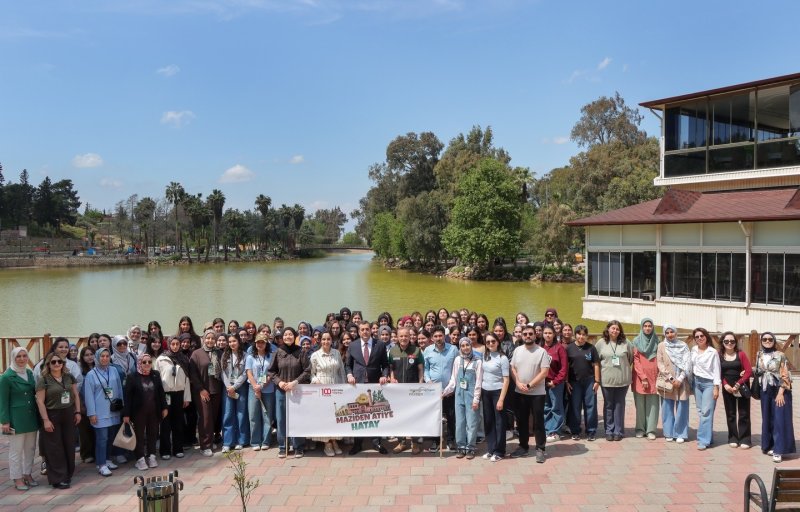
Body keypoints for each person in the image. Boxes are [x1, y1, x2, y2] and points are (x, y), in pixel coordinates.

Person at [35, 352, 81, 489]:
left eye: (59, 362)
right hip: (52, 414)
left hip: (68, 413)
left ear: (63, 363)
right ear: (48, 364)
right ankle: (58, 478)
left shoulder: (69, 377)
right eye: (53, 362)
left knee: (68, 444)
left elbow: (76, 395)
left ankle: (67, 474)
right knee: (54, 447)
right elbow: (40, 402)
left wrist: (78, 411)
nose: (56, 364)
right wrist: (45, 420)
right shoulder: (44, 380)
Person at [346, 321, 390, 455]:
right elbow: (348, 365)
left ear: (371, 330)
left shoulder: (380, 345)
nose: (365, 332)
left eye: (367, 329)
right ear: (359, 332)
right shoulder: (352, 346)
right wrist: (349, 375)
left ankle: (376, 442)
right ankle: (357, 443)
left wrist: (384, 375)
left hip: (374, 384)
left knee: (375, 413)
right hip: (357, 385)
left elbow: (385, 365)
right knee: (358, 415)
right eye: (362, 330)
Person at [510, 324, 550, 463]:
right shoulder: (517, 350)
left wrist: (529, 385)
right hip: (520, 391)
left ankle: (540, 448)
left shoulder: (541, 352)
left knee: (538, 421)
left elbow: (544, 372)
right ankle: (523, 446)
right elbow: (513, 368)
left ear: (535, 335)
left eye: (530, 334)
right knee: (522, 421)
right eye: (525, 334)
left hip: (537, 393)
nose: (528, 336)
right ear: (521, 336)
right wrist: (518, 383)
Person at [268, 327, 311, 458]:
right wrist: (279, 382)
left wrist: (295, 382)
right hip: (281, 391)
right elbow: (271, 371)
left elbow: (307, 371)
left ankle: (298, 446)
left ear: (295, 336)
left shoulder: (301, 352)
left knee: (297, 418)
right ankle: (283, 446)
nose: (287, 337)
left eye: (290, 335)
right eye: (285, 335)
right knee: (281, 419)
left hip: (296, 390)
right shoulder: (278, 352)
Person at [1, 347, 40, 491]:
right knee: (16, 450)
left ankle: (27, 474)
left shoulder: (29, 373)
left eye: (24, 356)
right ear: (13, 358)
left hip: (30, 417)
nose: (22, 359)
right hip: (15, 419)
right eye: (19, 356)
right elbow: (3, 401)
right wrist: (4, 421)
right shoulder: (6, 377)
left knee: (30, 448)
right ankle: (17, 478)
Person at [123, 354, 168, 470]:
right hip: (138, 413)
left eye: (149, 362)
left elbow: (161, 392)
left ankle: (152, 456)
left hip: (154, 411)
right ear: (139, 363)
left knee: (153, 433)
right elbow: (127, 397)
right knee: (139, 436)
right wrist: (126, 414)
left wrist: (164, 407)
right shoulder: (132, 377)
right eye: (144, 362)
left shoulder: (155, 374)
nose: (147, 364)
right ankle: (140, 459)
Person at [84, 347, 124, 476]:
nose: (105, 358)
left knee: (111, 437)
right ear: (97, 357)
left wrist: (121, 405)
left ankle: (107, 459)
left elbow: (119, 388)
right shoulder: (91, 374)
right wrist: (91, 413)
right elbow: (88, 395)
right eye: (102, 356)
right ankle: (101, 464)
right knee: (102, 438)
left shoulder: (113, 370)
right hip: (99, 412)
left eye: (107, 356)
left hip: (113, 410)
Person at [756, 332, 795, 463]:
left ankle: (779, 450)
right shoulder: (759, 354)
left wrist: (780, 393)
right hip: (766, 390)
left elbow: (786, 375)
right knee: (767, 418)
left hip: (780, 390)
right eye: (764, 339)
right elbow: (759, 371)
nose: (767, 341)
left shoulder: (780, 355)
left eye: (770, 339)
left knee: (780, 419)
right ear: (761, 341)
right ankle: (770, 445)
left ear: (774, 341)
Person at [443, 337, 483, 459]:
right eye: (462, 346)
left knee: (471, 423)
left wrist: (476, 399)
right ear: (460, 347)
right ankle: (461, 446)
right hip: (459, 396)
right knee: (459, 422)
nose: (465, 348)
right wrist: (444, 392)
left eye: (467, 345)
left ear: (471, 346)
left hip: (471, 396)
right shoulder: (457, 360)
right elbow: (453, 380)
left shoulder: (478, 361)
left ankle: (470, 447)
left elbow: (479, 383)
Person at [310, 331, 347, 456]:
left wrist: (343, 388)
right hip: (322, 389)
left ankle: (335, 440)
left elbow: (341, 371)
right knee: (324, 416)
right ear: (320, 340)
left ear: (332, 340)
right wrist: (316, 381)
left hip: (336, 387)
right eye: (324, 339)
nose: (326, 341)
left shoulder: (336, 353)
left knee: (335, 415)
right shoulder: (315, 355)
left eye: (328, 339)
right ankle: (327, 443)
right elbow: (311, 374)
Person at [595, 320, 633, 441]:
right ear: (608, 329)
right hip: (606, 380)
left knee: (619, 405)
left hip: (622, 380)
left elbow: (630, 358)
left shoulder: (626, 343)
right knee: (608, 405)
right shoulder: (601, 343)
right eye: (613, 328)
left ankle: (619, 431)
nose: (615, 331)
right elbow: (596, 360)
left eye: (617, 329)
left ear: (620, 331)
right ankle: (609, 430)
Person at [389, 326, 425, 454]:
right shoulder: (392, 351)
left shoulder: (416, 350)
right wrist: (392, 379)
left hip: (413, 390)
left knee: (414, 416)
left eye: (406, 336)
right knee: (399, 417)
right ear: (397, 338)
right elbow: (391, 369)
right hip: (398, 391)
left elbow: (421, 369)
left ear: (410, 337)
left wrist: (420, 384)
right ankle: (402, 442)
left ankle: (414, 443)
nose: (403, 338)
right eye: (401, 336)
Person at [423, 325, 458, 453]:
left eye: (440, 336)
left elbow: (457, 369)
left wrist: (452, 387)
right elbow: (426, 369)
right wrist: (428, 381)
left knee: (451, 416)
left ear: (445, 336)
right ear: (432, 338)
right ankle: (435, 441)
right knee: (434, 417)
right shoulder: (427, 350)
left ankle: (450, 440)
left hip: (449, 390)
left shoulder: (453, 349)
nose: (438, 338)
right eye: (436, 336)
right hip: (434, 391)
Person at [156, 336, 191, 459]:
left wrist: (187, 397)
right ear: (169, 345)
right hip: (166, 394)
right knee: (165, 423)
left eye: (177, 344)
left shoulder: (184, 359)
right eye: (173, 344)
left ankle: (178, 448)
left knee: (178, 423)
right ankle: (165, 450)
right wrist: (159, 398)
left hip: (179, 394)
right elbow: (157, 380)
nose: (175, 346)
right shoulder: (161, 359)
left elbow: (187, 380)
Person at [189, 330, 223, 457]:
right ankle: (205, 445)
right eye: (207, 338)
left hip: (216, 390)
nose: (210, 341)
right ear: (203, 339)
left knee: (213, 417)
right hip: (202, 391)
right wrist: (201, 389)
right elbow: (193, 374)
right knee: (205, 418)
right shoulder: (196, 354)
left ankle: (210, 440)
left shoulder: (219, 352)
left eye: (212, 338)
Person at [656, 324, 691, 443]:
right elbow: (660, 363)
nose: (670, 334)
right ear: (664, 334)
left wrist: (680, 379)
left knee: (682, 407)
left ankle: (680, 433)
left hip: (682, 380)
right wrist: (671, 378)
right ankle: (668, 432)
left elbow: (687, 363)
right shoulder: (661, 346)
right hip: (667, 381)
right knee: (667, 407)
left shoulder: (683, 345)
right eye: (667, 332)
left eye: (672, 332)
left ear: (676, 333)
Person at [565, 325, 600, 441]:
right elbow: (565, 367)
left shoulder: (591, 348)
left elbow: (596, 365)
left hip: (589, 381)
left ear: (586, 336)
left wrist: (597, 381)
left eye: (584, 334)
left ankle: (591, 431)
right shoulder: (569, 348)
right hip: (574, 382)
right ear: (575, 335)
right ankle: (575, 430)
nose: (581, 336)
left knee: (590, 406)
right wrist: (566, 381)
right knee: (575, 406)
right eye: (579, 334)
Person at [718, 331, 752, 449]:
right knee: (730, 413)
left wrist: (738, 383)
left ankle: (745, 438)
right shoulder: (719, 355)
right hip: (727, 388)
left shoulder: (741, 354)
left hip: (741, 386)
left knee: (744, 413)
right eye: (726, 341)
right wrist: (725, 385)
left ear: (735, 342)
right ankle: (732, 437)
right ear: (722, 342)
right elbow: (718, 372)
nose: (729, 343)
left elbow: (748, 371)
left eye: (732, 341)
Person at [480, 333, 509, 461]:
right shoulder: (485, 356)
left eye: (493, 341)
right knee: (489, 422)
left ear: (498, 342)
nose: (490, 344)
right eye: (488, 342)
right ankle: (491, 449)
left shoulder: (502, 358)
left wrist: (501, 399)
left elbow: (506, 380)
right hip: (486, 391)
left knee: (500, 422)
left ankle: (500, 451)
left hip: (498, 391)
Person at [690, 327, 720, 450]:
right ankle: (709, 437)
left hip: (709, 383)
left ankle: (702, 440)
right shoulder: (693, 350)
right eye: (697, 337)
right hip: (697, 382)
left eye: (701, 336)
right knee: (701, 411)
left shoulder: (712, 352)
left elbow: (717, 370)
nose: (699, 338)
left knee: (706, 412)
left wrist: (716, 387)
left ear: (706, 336)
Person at [221, 332, 250, 452]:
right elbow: (222, 373)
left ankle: (241, 441)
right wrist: (229, 386)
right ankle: (227, 442)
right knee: (228, 414)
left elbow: (245, 373)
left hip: (241, 387)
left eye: (234, 341)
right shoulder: (224, 355)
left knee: (241, 414)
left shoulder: (245, 355)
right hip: (227, 388)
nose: (232, 343)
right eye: (230, 341)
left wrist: (236, 386)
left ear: (239, 342)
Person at [246, 333, 275, 451]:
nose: (260, 344)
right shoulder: (250, 357)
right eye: (258, 342)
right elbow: (249, 372)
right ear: (255, 343)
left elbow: (271, 373)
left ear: (266, 343)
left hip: (268, 389)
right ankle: (255, 441)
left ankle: (266, 441)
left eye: (262, 342)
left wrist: (262, 386)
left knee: (267, 416)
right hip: (253, 389)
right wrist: (256, 386)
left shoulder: (271, 356)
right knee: (253, 415)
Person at [632, 318, 660, 440]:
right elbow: (636, 360)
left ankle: (651, 430)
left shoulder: (657, 341)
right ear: (642, 327)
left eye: (650, 326)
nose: (647, 328)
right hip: (639, 377)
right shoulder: (636, 341)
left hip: (654, 376)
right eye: (645, 326)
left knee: (653, 404)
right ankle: (640, 429)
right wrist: (643, 377)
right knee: (640, 404)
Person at [542, 324, 567, 441]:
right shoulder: (541, 348)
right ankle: (547, 429)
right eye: (545, 333)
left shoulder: (559, 348)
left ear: (554, 334)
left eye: (550, 333)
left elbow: (564, 368)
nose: (547, 335)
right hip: (543, 383)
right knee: (546, 407)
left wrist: (556, 381)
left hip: (555, 383)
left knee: (556, 407)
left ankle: (555, 431)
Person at [77, 347, 96, 463]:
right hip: (83, 403)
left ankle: (95, 452)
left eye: (91, 354)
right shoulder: (79, 371)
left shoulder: (98, 368)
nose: (89, 357)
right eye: (86, 355)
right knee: (84, 431)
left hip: (97, 403)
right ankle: (86, 454)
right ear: (82, 357)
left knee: (95, 430)